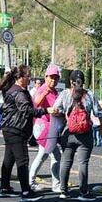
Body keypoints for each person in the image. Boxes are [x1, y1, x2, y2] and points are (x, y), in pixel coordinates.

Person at [0, 65, 50, 201]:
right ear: (19, 78)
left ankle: (4, 187)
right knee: (22, 160)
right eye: (28, 76)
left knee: (9, 159)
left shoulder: (14, 89)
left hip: (9, 128)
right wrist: (47, 110)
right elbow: (27, 110)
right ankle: (26, 191)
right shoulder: (19, 93)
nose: (30, 78)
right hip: (16, 130)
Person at [54, 70, 102, 200]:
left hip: (68, 132)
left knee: (66, 162)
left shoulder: (65, 94)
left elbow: (55, 109)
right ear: (83, 81)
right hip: (85, 133)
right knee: (83, 163)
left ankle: (63, 191)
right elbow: (99, 112)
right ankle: (83, 192)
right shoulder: (89, 95)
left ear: (71, 82)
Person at [27, 64, 62, 192]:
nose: (53, 80)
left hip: (50, 126)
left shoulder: (55, 92)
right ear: (45, 77)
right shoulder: (43, 89)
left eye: (56, 78)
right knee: (56, 156)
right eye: (51, 77)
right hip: (42, 126)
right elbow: (36, 104)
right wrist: (45, 92)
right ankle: (56, 185)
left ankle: (30, 181)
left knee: (42, 155)